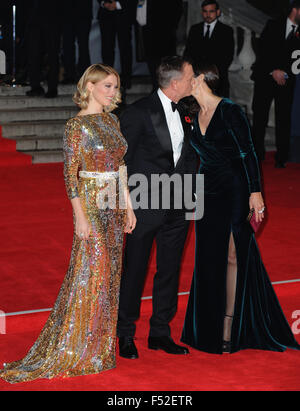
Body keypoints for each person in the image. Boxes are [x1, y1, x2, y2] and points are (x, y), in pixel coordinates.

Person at [0, 64, 136, 383]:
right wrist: (80, 217)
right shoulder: (77, 126)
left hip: (115, 204)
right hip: (91, 201)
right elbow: (70, 175)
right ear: (89, 87)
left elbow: (121, 167)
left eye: (116, 86)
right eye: (108, 86)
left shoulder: (112, 119)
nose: (114, 92)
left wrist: (129, 207)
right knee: (94, 273)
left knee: (110, 277)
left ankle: (99, 350)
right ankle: (76, 349)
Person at [181, 63, 300, 354]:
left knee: (234, 253)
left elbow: (248, 152)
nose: (183, 81)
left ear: (200, 79)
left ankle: (228, 323)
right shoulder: (191, 112)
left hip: (235, 189)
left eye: (188, 76)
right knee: (208, 255)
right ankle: (206, 323)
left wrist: (255, 192)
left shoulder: (231, 111)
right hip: (206, 191)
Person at [117, 56, 198, 359]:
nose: (194, 81)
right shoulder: (138, 113)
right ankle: (125, 333)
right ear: (175, 82)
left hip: (179, 203)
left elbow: (187, 155)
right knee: (134, 270)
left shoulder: (187, 109)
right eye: (191, 77)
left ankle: (160, 332)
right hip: (144, 205)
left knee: (169, 269)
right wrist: (125, 206)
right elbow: (120, 162)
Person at [251, 0, 300, 168]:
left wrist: (283, 73)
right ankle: (257, 154)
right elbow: (263, 50)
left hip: (286, 81)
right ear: (295, 10)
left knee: (283, 119)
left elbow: (297, 62)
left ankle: (281, 158)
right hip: (265, 77)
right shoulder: (273, 25)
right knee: (259, 118)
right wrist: (274, 71)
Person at [184, 0, 234, 98]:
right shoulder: (195, 29)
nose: (208, 14)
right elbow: (188, 53)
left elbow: (227, 56)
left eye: (211, 11)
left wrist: (210, 75)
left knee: (218, 110)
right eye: (205, 11)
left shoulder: (226, 31)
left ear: (218, 12)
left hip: (217, 79)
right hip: (196, 78)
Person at [135, 0, 183, 89]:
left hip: (165, 34)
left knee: (167, 66)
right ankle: (156, 89)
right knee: (153, 65)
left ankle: (166, 90)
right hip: (149, 33)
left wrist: (171, 27)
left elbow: (178, 9)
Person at [25, 0, 62, 98]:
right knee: (34, 55)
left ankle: (52, 87)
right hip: (34, 20)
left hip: (53, 19)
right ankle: (35, 86)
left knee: (52, 55)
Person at [97, 0, 137, 90]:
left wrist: (119, 4)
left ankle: (126, 79)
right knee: (107, 48)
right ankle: (107, 78)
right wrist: (104, 2)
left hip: (124, 13)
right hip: (105, 14)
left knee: (125, 48)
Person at [61, 0, 93, 84]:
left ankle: (84, 75)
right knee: (67, 45)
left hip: (83, 13)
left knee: (83, 45)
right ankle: (69, 75)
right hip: (66, 13)